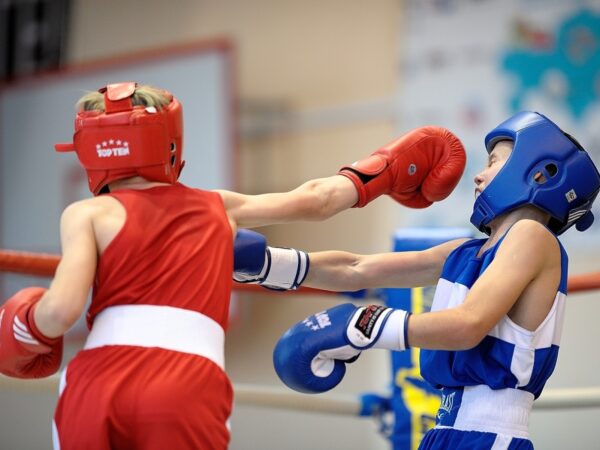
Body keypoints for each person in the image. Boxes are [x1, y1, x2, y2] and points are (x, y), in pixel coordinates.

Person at [0, 81, 465, 450]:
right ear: (169, 143)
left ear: (89, 150)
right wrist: (388, 167)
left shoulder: (87, 212)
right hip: (185, 383)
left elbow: (60, 312)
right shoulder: (216, 206)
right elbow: (318, 200)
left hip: (98, 378)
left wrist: (22, 322)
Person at [233, 111, 600, 449]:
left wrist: (364, 325)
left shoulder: (533, 237)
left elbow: (468, 324)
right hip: (445, 432)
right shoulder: (467, 252)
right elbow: (357, 268)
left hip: (490, 435)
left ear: (540, 173)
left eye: (493, 163)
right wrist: (268, 264)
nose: (478, 174)